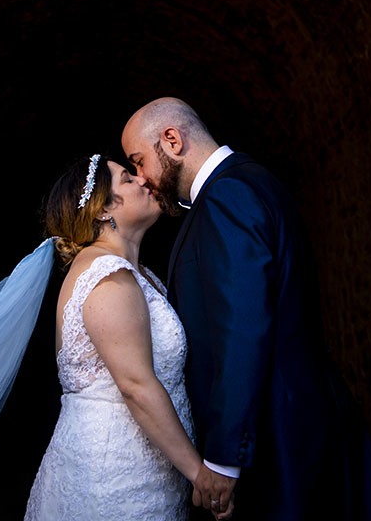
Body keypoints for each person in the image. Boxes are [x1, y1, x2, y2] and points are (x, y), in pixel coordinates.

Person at [121, 98, 371, 520]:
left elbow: (242, 327)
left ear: (171, 140)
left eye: (139, 161)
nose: (141, 178)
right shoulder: (250, 181)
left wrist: (224, 458)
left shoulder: (227, 196)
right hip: (291, 421)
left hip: (278, 436)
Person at [24, 154, 234, 520]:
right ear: (103, 209)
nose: (141, 179)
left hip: (145, 471)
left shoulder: (137, 275)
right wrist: (200, 475)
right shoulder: (107, 277)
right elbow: (135, 384)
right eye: (126, 178)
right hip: (112, 477)